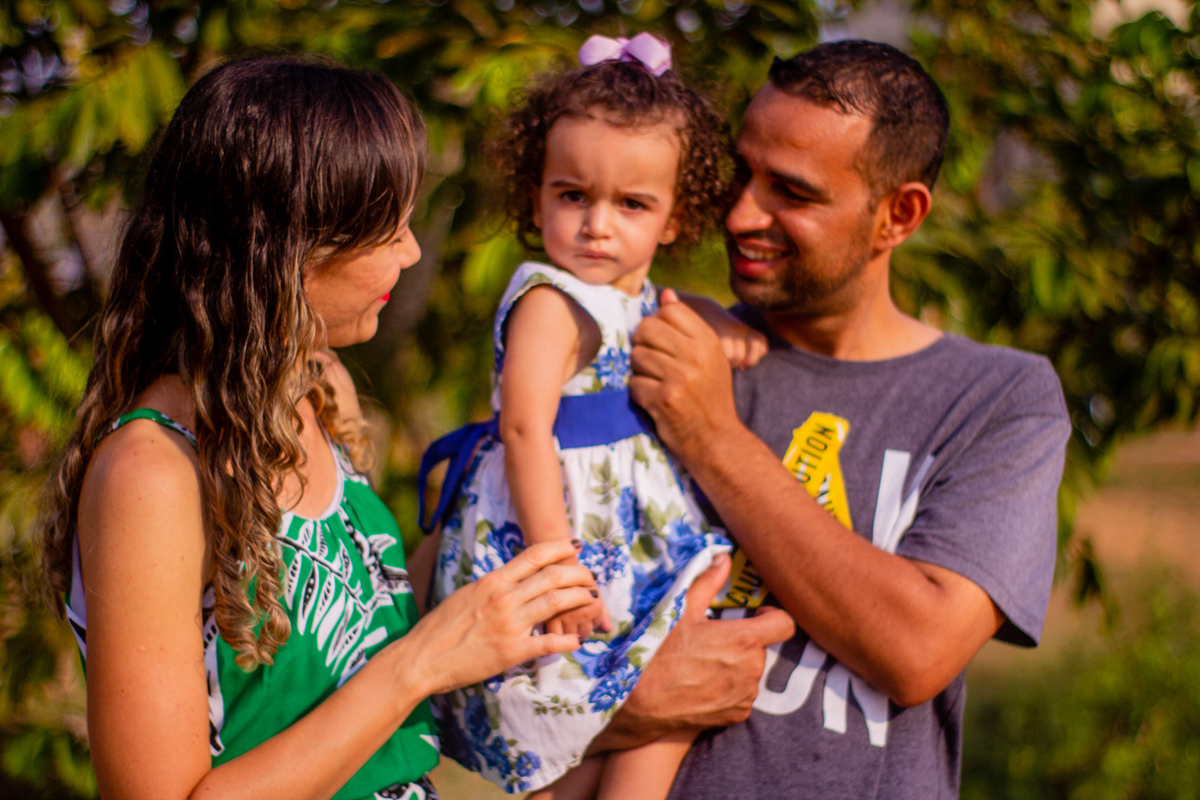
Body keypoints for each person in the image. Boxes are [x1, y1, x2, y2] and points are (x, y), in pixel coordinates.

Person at [36, 55, 600, 800]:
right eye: (387, 227)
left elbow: (356, 647)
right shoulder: (154, 472)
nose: (412, 250)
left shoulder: (321, 391)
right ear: (287, 247)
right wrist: (424, 660)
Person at [595, 40, 1072, 798]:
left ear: (899, 215)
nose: (743, 211)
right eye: (742, 169)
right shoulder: (662, 348)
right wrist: (630, 703)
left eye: (793, 191)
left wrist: (712, 437)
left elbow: (917, 649)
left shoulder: (999, 399)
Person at [418, 34, 771, 800]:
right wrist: (557, 565)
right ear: (536, 192)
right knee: (563, 723)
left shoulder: (628, 293)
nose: (596, 225)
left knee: (649, 712)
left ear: (674, 218)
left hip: (628, 535)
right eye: (572, 195)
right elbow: (522, 429)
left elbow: (653, 307)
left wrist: (715, 319)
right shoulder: (551, 299)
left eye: (632, 204)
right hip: (565, 533)